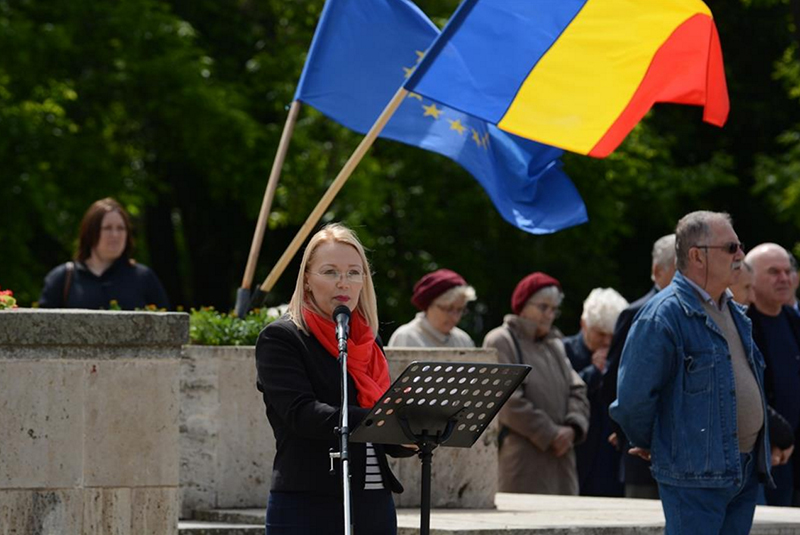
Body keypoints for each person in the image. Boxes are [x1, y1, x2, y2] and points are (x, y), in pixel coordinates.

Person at [611, 211, 772, 535]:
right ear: (697, 255)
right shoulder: (662, 315)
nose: (740, 255)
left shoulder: (733, 311)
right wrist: (654, 439)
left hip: (743, 470)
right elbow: (632, 399)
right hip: (696, 474)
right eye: (731, 247)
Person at [255, 223, 414, 535]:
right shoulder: (282, 337)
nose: (344, 282)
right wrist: (384, 419)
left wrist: (414, 428)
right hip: (308, 503)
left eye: (354, 272)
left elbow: (381, 433)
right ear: (307, 280)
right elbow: (302, 414)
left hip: (374, 501)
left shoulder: (368, 339)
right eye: (330, 272)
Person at [483, 272, 589, 495]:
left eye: (554, 309)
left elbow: (577, 388)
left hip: (562, 460)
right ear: (523, 306)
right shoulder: (501, 340)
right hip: (523, 461)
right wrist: (550, 434)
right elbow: (506, 400)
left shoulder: (555, 343)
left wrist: (572, 428)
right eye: (543, 307)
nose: (549, 315)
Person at [602, 233, 676, 499]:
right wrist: (625, 432)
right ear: (657, 271)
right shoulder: (637, 313)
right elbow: (613, 382)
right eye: (680, 269)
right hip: (643, 456)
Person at [38, 197, 169, 309]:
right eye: (107, 228)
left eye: (121, 228)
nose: (115, 235)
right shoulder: (62, 278)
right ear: (90, 233)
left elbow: (168, 331)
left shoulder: (144, 278)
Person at [745, 243, 800, 506]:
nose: (784, 278)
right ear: (750, 278)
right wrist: (777, 433)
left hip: (792, 455)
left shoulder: (793, 320)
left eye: (788, 271)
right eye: (774, 272)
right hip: (761, 453)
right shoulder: (742, 325)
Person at [563, 287, 628, 496]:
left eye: (613, 335)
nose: (607, 342)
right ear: (584, 325)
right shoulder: (564, 351)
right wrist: (594, 372)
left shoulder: (623, 354)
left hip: (610, 458)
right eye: (601, 334)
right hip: (577, 456)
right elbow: (560, 394)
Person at [388, 269, 476, 347]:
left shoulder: (463, 340)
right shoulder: (406, 337)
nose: (455, 316)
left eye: (460, 310)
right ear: (429, 305)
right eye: (448, 309)